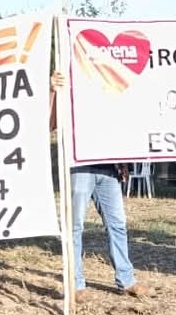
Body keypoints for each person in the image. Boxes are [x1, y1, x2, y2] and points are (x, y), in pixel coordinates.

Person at [49, 73, 146, 300]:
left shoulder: (107, 87)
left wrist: (123, 162)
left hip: (108, 169)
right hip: (79, 167)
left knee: (117, 224)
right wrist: (53, 91)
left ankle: (126, 280)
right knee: (74, 227)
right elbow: (51, 124)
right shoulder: (68, 84)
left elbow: (118, 128)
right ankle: (75, 284)